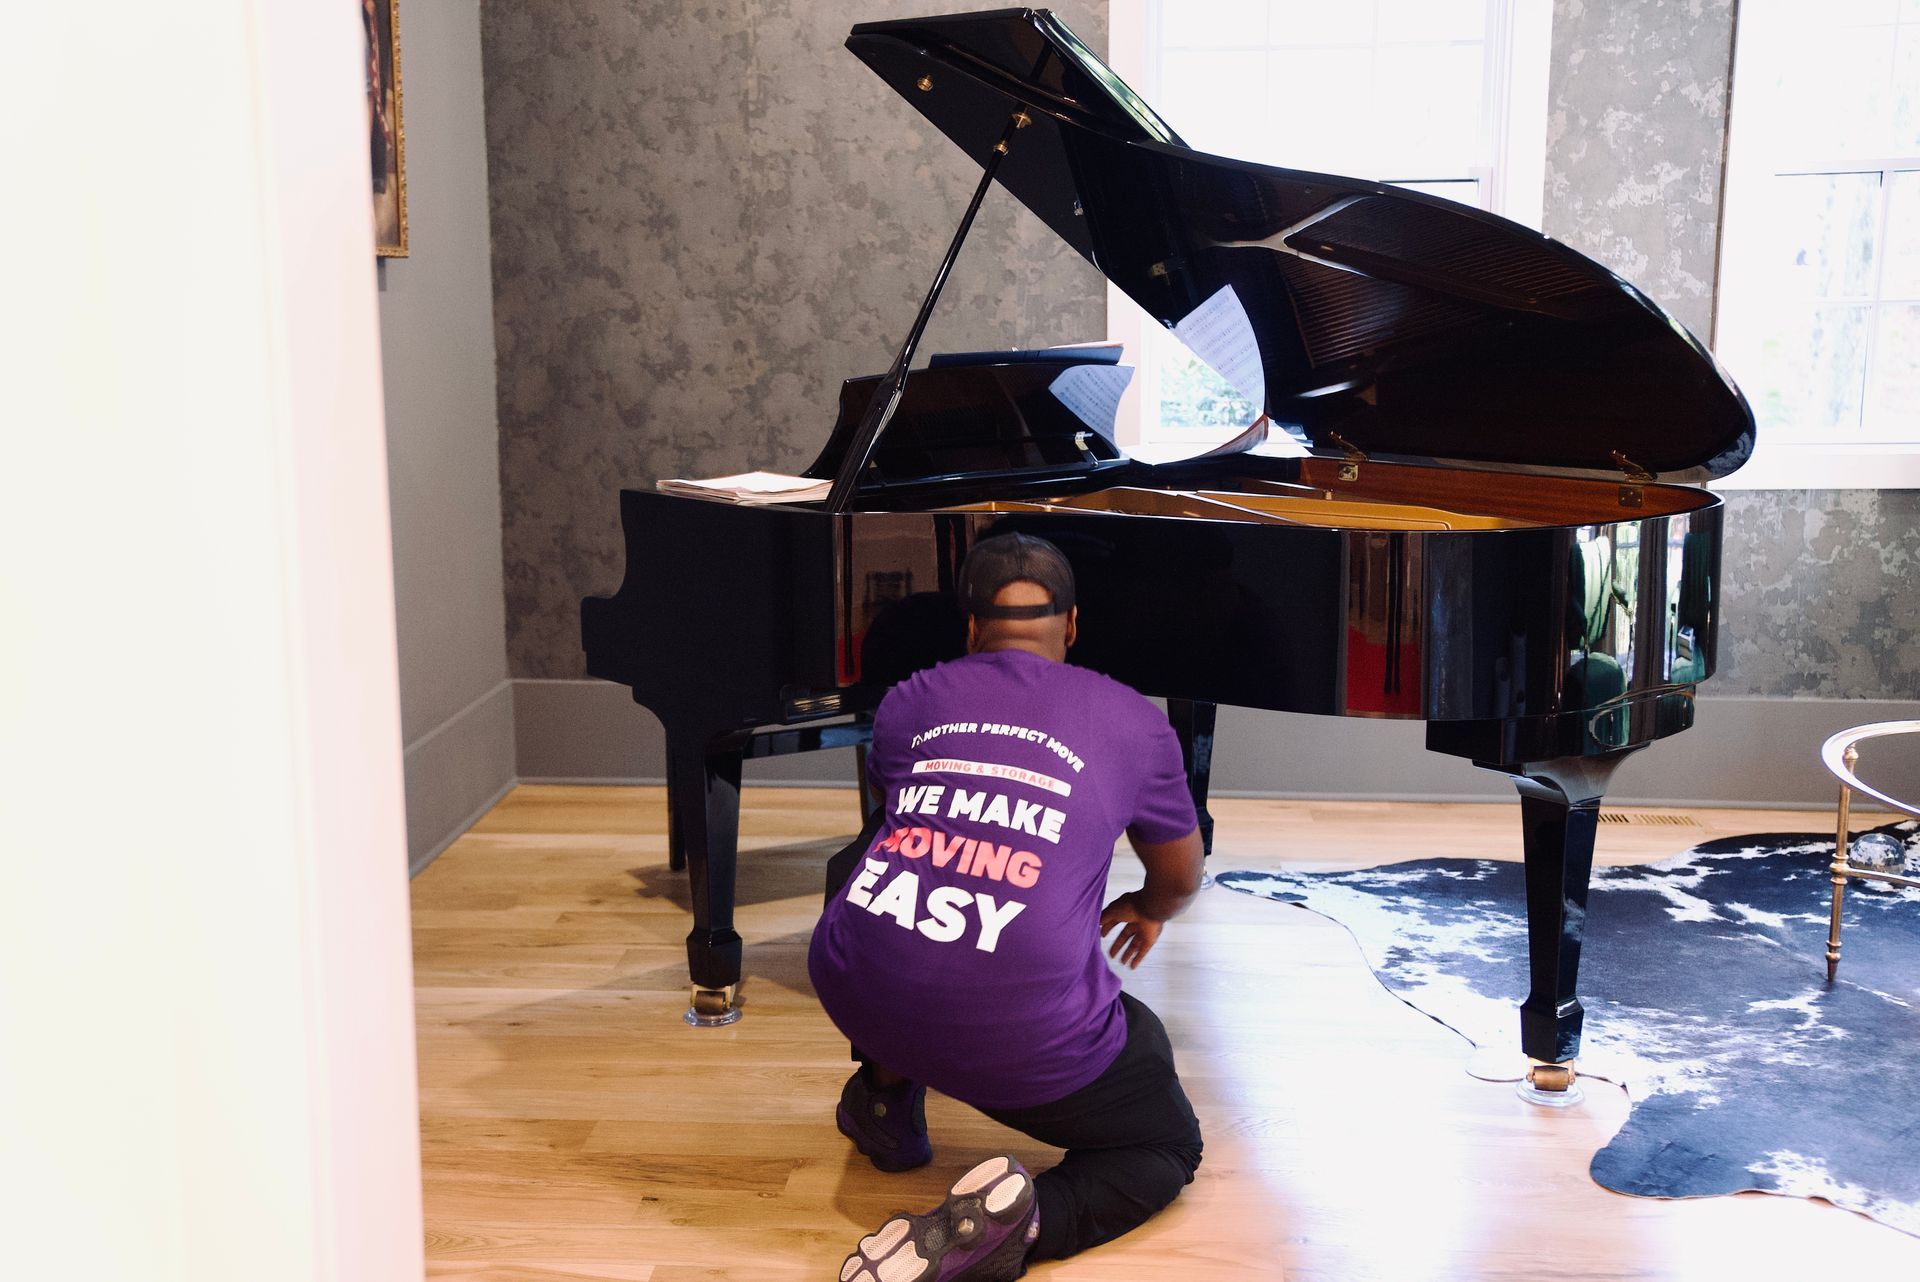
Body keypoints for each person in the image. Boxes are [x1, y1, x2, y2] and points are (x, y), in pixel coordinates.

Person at [808, 532, 1207, 1282]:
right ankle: (1019, 1227)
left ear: (970, 629)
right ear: (1073, 623)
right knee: (1165, 1142)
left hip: (852, 986)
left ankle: (884, 1106)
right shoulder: (1132, 719)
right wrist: (1150, 908)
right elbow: (1182, 878)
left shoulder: (906, 702)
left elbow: (902, 828)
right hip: (1020, 1039)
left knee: (874, 867)